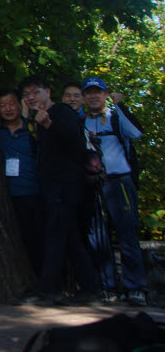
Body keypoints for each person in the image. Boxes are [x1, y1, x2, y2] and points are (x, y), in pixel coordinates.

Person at [15, 75, 99, 306]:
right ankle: (91, 288)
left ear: (47, 92)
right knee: (70, 238)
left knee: (54, 236)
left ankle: (46, 288)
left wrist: (48, 124)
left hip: (66, 186)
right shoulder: (41, 119)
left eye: (35, 92)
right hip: (53, 187)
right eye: (26, 94)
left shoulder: (61, 112)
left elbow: (75, 144)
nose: (31, 97)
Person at [81, 77, 147, 306]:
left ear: (106, 94)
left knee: (127, 236)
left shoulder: (116, 117)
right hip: (94, 184)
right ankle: (108, 287)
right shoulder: (81, 121)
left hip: (120, 182)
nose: (93, 96)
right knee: (98, 238)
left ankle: (136, 288)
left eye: (97, 92)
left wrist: (120, 106)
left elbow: (137, 133)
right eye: (88, 93)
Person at [0, 88, 44, 276]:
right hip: (8, 196)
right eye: (2, 105)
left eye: (11, 103)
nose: (8, 109)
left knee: (39, 240)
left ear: (19, 104)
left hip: (35, 193)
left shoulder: (34, 128)